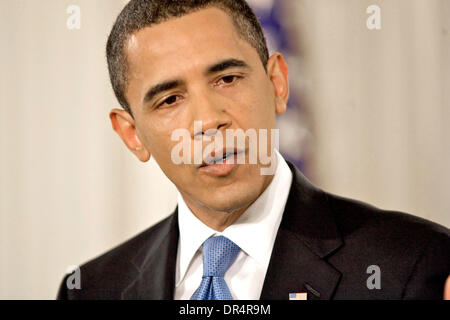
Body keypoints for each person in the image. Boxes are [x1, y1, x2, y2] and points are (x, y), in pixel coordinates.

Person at [57, 0, 450, 300]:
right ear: (132, 135)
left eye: (227, 79)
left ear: (277, 83)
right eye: (170, 99)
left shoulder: (415, 265)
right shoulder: (90, 290)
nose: (208, 120)